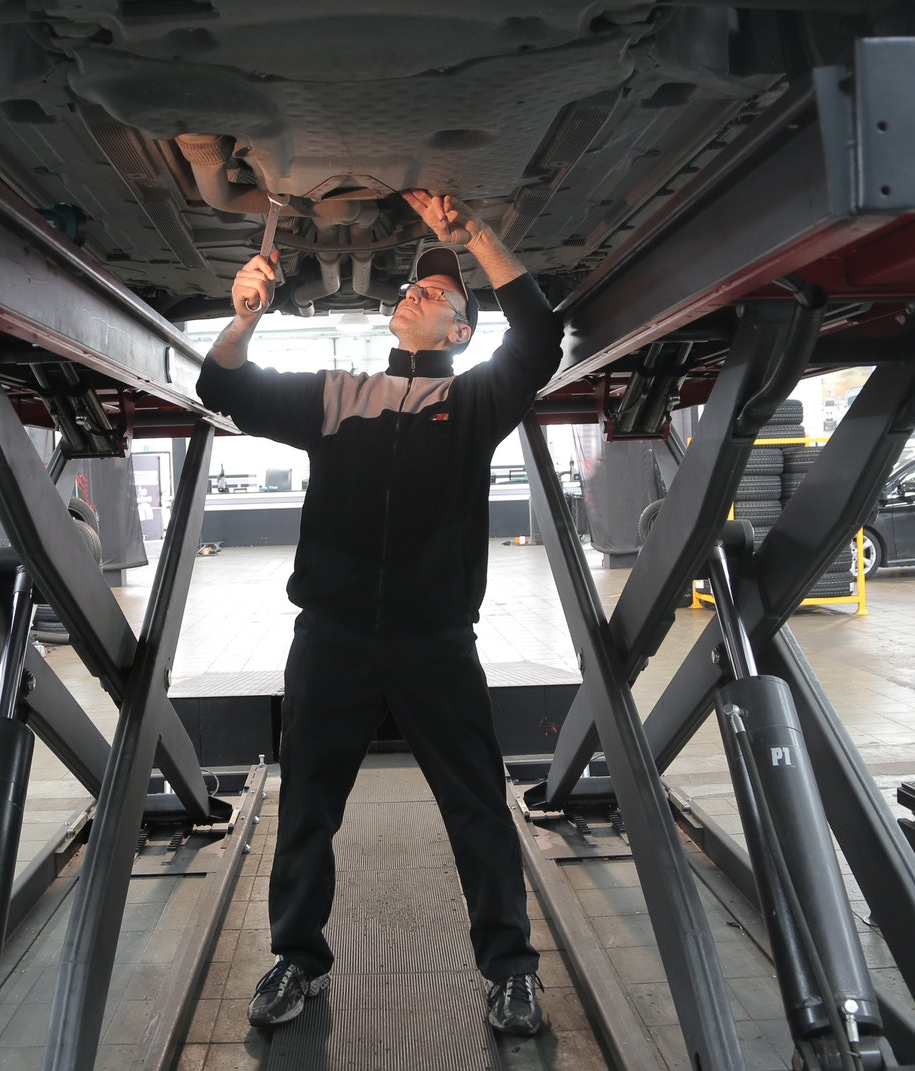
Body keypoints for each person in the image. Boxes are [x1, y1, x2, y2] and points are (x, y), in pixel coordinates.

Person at [196, 189, 564, 1037]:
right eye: (416, 286)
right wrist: (244, 317)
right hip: (333, 638)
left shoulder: (473, 405)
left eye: (438, 294)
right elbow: (225, 388)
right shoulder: (338, 393)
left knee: (476, 804)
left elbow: (540, 340)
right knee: (308, 807)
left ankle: (510, 970)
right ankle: (296, 957)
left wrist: (476, 238)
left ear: (460, 333)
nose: (416, 291)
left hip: (437, 641)